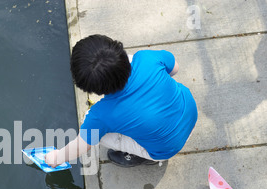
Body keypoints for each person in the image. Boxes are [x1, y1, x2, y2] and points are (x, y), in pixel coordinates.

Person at [45, 34, 197, 168]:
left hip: (166, 148)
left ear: (91, 88)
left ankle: (144, 157)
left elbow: (82, 145)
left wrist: (57, 157)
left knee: (96, 132)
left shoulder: (101, 114)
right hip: (190, 112)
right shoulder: (147, 58)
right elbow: (175, 68)